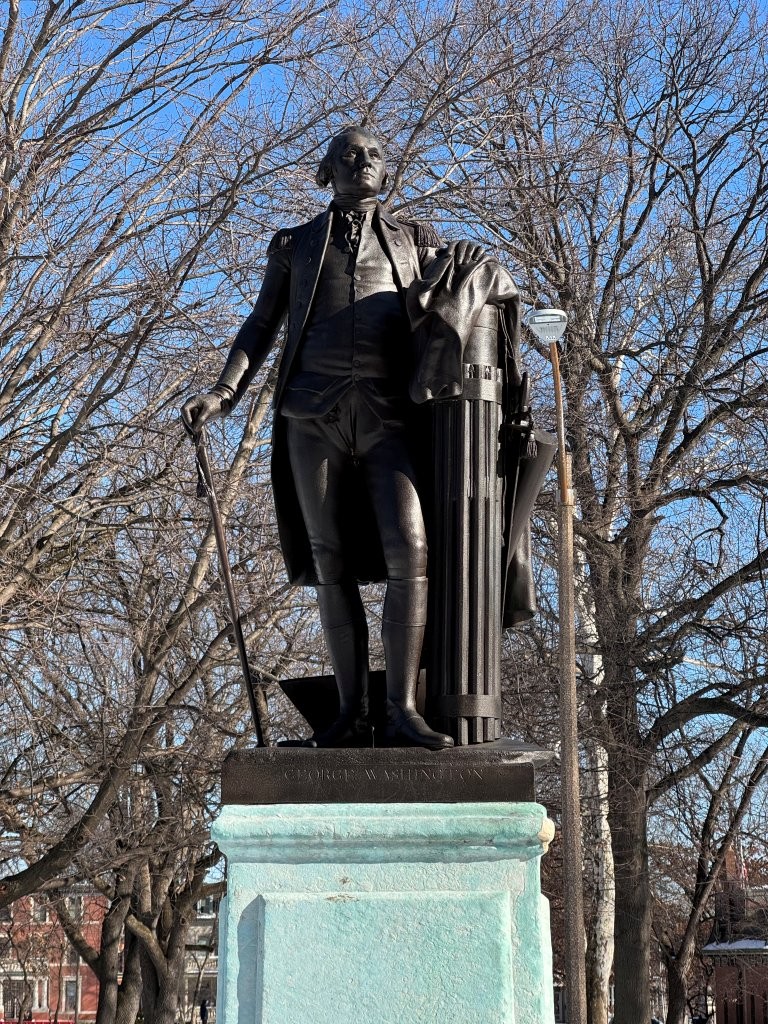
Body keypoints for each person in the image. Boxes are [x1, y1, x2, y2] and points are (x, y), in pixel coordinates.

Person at [182, 127, 484, 749]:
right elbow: (262, 321)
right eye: (349, 154)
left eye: (374, 153)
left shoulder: (414, 244)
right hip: (312, 414)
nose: (363, 161)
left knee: (411, 551)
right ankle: (351, 714)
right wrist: (226, 391)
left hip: (389, 414)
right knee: (330, 560)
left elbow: (457, 295)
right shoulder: (295, 245)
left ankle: (401, 709)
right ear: (326, 170)